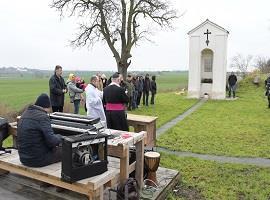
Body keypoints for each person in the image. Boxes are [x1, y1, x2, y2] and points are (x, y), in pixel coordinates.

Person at [17, 93, 62, 167]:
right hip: (37, 160)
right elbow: (52, 141)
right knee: (67, 151)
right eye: (48, 110)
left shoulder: (24, 114)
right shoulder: (42, 117)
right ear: (46, 107)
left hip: (23, 158)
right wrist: (61, 137)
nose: (48, 112)